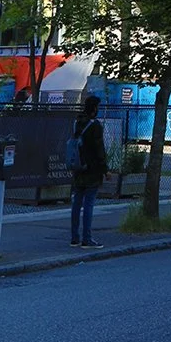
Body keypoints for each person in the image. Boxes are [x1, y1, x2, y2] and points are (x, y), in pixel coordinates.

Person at [70, 94, 108, 249]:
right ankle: (87, 238)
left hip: (78, 167)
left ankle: (74, 237)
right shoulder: (95, 125)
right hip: (92, 169)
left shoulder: (76, 123)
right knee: (89, 205)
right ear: (94, 108)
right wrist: (105, 169)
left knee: (76, 203)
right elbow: (99, 149)